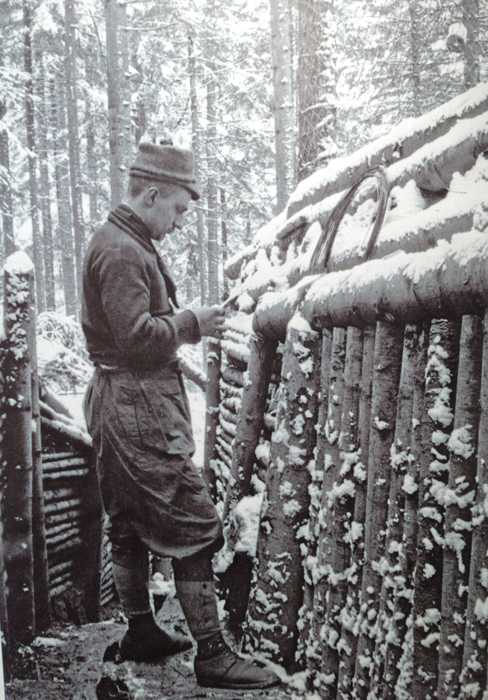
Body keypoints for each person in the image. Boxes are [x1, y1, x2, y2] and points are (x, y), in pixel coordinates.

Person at [82, 140, 279, 690]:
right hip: (139, 405)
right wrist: (191, 322)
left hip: (118, 401)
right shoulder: (123, 251)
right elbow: (138, 337)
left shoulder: (119, 240)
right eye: (177, 209)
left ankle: (142, 630)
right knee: (193, 524)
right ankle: (213, 656)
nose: (179, 221)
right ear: (151, 194)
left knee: (127, 522)